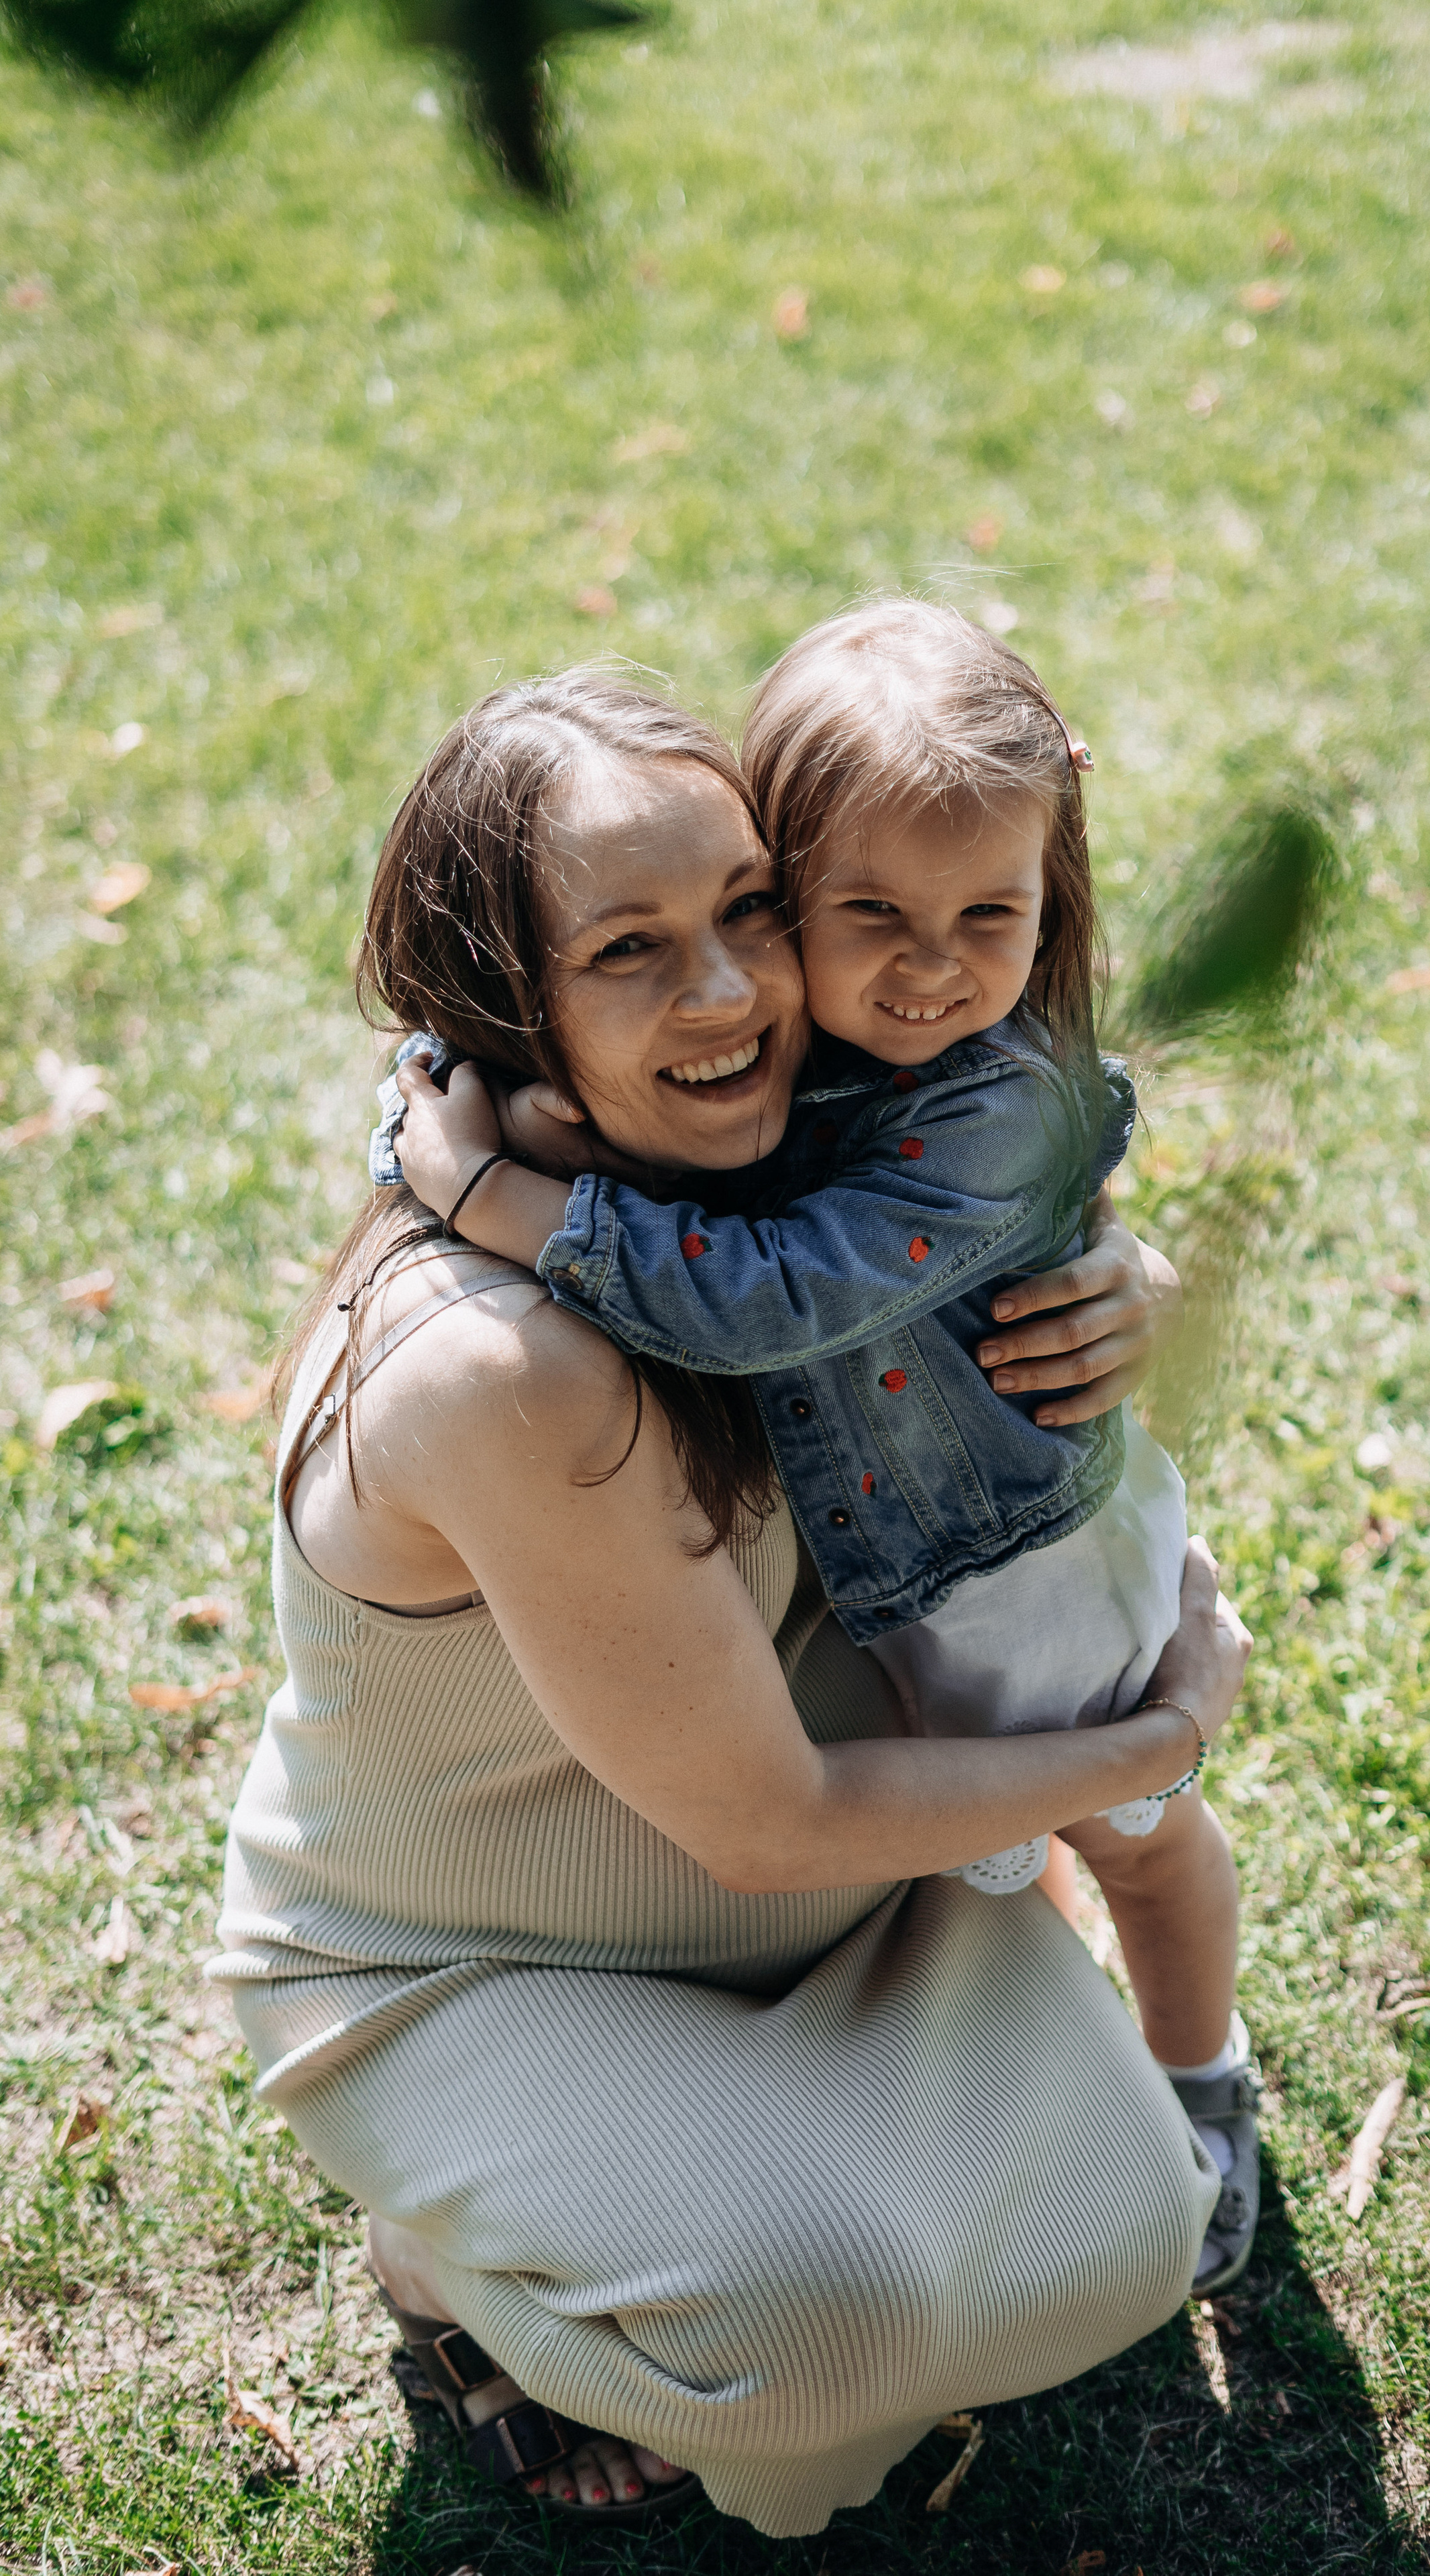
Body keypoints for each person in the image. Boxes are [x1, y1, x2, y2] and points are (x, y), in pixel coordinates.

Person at [211, 667, 1252, 2538]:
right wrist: (1162, 1739)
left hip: (828, 1933)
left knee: (1121, 2246)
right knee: (826, 2363)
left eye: (751, 911)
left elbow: (968, 1204)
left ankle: (741, 2187)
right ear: (502, 1004)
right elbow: (768, 1820)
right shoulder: (497, 1363)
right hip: (496, 1966)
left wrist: (1112, 1272)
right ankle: (447, 2272)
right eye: (629, 949)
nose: (731, 995)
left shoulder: (782, 1149)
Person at [392, 604, 1255, 2292]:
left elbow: (774, 1297)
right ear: (785, 877)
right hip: (898, 1563)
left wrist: (491, 1195)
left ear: (1046, 896)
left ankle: (1196, 2079)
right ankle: (1041, 2063)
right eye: (865, 914)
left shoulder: (983, 1097)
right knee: (985, 1867)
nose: (928, 967)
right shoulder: (802, 1049)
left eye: (985, 917)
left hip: (1015, 1562)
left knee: (1132, 1826)